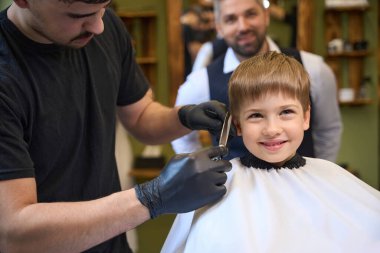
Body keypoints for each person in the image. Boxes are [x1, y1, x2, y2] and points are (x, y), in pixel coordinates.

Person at [0, 1, 233, 252]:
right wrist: (152, 197)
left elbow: (141, 116)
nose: (98, 26)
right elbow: (15, 232)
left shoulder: (106, 28)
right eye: (79, 15)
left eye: (103, 8)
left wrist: (184, 117)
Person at [162, 52, 380, 253]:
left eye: (286, 112)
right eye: (256, 115)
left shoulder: (334, 180)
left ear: (305, 118)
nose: (272, 129)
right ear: (238, 124)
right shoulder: (220, 186)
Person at [172, 0, 342, 162]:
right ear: (219, 28)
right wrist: (203, 173)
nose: (243, 26)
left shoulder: (315, 69)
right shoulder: (200, 82)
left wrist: (317, 175)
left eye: (250, 14)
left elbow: (328, 130)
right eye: (231, 19)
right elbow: (180, 135)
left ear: (266, 16)